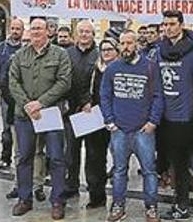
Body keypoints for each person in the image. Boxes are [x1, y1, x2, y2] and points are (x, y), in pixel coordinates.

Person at [9, 17, 72, 220]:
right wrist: (28, 104)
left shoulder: (60, 55)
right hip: (25, 115)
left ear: (48, 31)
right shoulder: (20, 55)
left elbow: (64, 82)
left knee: (56, 158)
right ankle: (24, 199)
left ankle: (57, 201)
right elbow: (13, 82)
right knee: (24, 157)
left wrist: (41, 103)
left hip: (51, 115)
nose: (35, 31)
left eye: (40, 28)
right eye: (33, 28)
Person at [102, 30, 163, 222]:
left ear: (137, 44)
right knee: (119, 171)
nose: (125, 47)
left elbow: (158, 96)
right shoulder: (112, 68)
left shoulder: (150, 67)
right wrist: (109, 120)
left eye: (129, 43)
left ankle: (151, 208)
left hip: (143, 130)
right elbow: (105, 95)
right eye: (122, 43)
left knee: (149, 171)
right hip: (119, 129)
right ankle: (118, 205)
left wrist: (153, 121)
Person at [158, 10, 193, 222]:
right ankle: (180, 207)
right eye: (165, 24)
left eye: (172, 24)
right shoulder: (160, 50)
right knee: (178, 168)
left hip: (191, 120)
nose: (168, 28)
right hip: (170, 121)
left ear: (181, 25)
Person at [64, 20, 100, 201]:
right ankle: (71, 186)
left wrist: (90, 102)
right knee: (70, 153)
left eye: (88, 32)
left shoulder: (100, 54)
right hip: (71, 111)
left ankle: (95, 190)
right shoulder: (67, 53)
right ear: (76, 34)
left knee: (93, 154)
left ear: (93, 34)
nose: (84, 34)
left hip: (92, 111)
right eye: (81, 31)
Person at [85, 37, 120, 211]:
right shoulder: (95, 70)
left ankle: (119, 200)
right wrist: (87, 103)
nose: (106, 52)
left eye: (110, 49)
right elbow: (88, 91)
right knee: (94, 158)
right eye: (103, 49)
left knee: (119, 160)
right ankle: (96, 196)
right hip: (97, 117)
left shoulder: (122, 68)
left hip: (118, 118)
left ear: (117, 51)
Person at [0, 18, 25, 175]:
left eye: (18, 28)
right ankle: (5, 157)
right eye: (13, 28)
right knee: (6, 128)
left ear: (23, 30)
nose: (15, 31)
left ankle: (23, 157)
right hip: (5, 95)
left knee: (22, 127)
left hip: (23, 95)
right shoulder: (1, 48)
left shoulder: (26, 47)